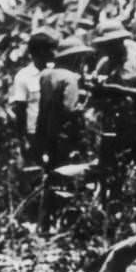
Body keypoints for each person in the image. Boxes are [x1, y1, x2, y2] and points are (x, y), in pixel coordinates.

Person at [90, 18, 136, 210]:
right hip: (112, 125)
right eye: (106, 46)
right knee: (108, 171)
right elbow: (96, 97)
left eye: (113, 44)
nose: (110, 49)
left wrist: (120, 90)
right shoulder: (104, 64)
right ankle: (110, 212)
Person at [34, 36, 94, 229]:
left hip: (48, 133)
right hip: (67, 136)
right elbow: (69, 109)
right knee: (68, 177)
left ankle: (45, 221)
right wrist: (85, 105)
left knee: (51, 176)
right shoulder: (70, 78)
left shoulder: (46, 75)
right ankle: (67, 223)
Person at [10, 27, 59, 164]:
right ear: (39, 51)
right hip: (34, 133)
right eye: (49, 49)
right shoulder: (23, 76)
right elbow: (20, 110)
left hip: (54, 130)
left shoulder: (55, 73)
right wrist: (23, 139)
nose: (53, 53)